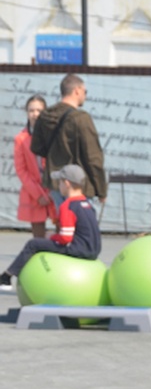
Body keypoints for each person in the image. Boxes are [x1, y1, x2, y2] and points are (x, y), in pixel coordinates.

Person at [0, 164, 101, 286]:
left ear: (67, 183)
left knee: (33, 244)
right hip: (94, 250)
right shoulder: (87, 205)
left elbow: (65, 238)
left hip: (79, 250)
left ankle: (6, 277)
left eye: (60, 182)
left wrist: (51, 237)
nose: (58, 186)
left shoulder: (67, 206)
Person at [29, 74, 108, 205]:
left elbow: (36, 147)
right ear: (77, 90)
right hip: (78, 185)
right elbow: (93, 158)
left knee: (64, 217)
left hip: (56, 183)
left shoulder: (45, 115)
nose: (85, 95)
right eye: (85, 91)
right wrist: (101, 190)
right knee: (81, 218)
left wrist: (56, 155)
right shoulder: (81, 118)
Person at [13, 94, 56, 238]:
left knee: (63, 233)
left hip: (55, 189)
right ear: (27, 113)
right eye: (31, 110)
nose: (35, 114)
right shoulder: (21, 139)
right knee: (38, 236)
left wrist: (52, 190)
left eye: (39, 110)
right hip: (34, 192)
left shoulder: (54, 135)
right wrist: (38, 194)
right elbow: (21, 170)